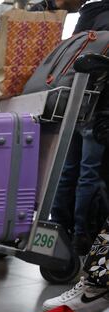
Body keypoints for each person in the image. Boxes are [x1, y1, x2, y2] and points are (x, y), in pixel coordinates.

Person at [48, 0, 109, 255]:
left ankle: (58, 229)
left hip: (74, 103)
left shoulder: (88, 15)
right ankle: (81, 235)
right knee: (89, 174)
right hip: (100, 103)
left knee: (67, 170)